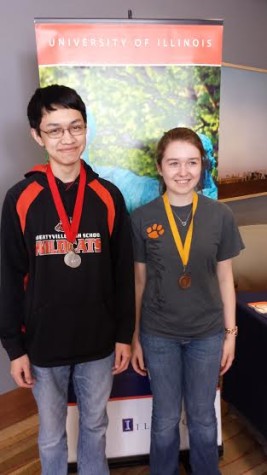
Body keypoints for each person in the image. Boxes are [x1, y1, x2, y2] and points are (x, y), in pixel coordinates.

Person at [0, 84, 135, 475]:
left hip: (99, 341)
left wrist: (124, 333)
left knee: (95, 426)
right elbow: (8, 276)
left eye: (75, 127)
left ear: (86, 129)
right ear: (37, 136)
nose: (67, 138)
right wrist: (14, 347)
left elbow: (122, 272)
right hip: (43, 344)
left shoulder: (108, 196)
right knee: (51, 434)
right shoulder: (21, 197)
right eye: (55, 129)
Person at [131, 127, 244, 475]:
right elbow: (139, 282)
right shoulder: (141, 217)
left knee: (203, 418)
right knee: (164, 420)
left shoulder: (220, 215)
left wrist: (231, 333)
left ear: (202, 166)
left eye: (192, 162)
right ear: (160, 167)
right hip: (159, 334)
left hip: (207, 334)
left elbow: (226, 278)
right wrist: (136, 337)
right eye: (174, 163)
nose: (183, 172)